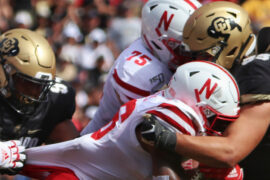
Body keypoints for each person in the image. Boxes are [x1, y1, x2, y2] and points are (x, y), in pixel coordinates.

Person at [19, 61, 242, 179]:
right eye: (219, 122)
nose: (220, 131)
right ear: (197, 104)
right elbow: (164, 164)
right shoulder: (174, 114)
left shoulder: (165, 103)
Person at [140, 1, 270, 180]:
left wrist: (167, 138)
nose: (194, 61)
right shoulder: (248, 62)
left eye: (202, 54)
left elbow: (230, 151)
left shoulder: (256, 73)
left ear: (228, 48)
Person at [80, 0, 202, 135]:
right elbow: (154, 136)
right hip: (110, 147)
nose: (194, 51)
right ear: (160, 42)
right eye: (185, 46)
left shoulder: (157, 51)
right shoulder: (136, 73)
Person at [0, 28, 79, 175]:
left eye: (40, 85)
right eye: (27, 83)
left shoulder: (56, 100)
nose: (35, 93)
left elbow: (76, 156)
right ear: (3, 71)